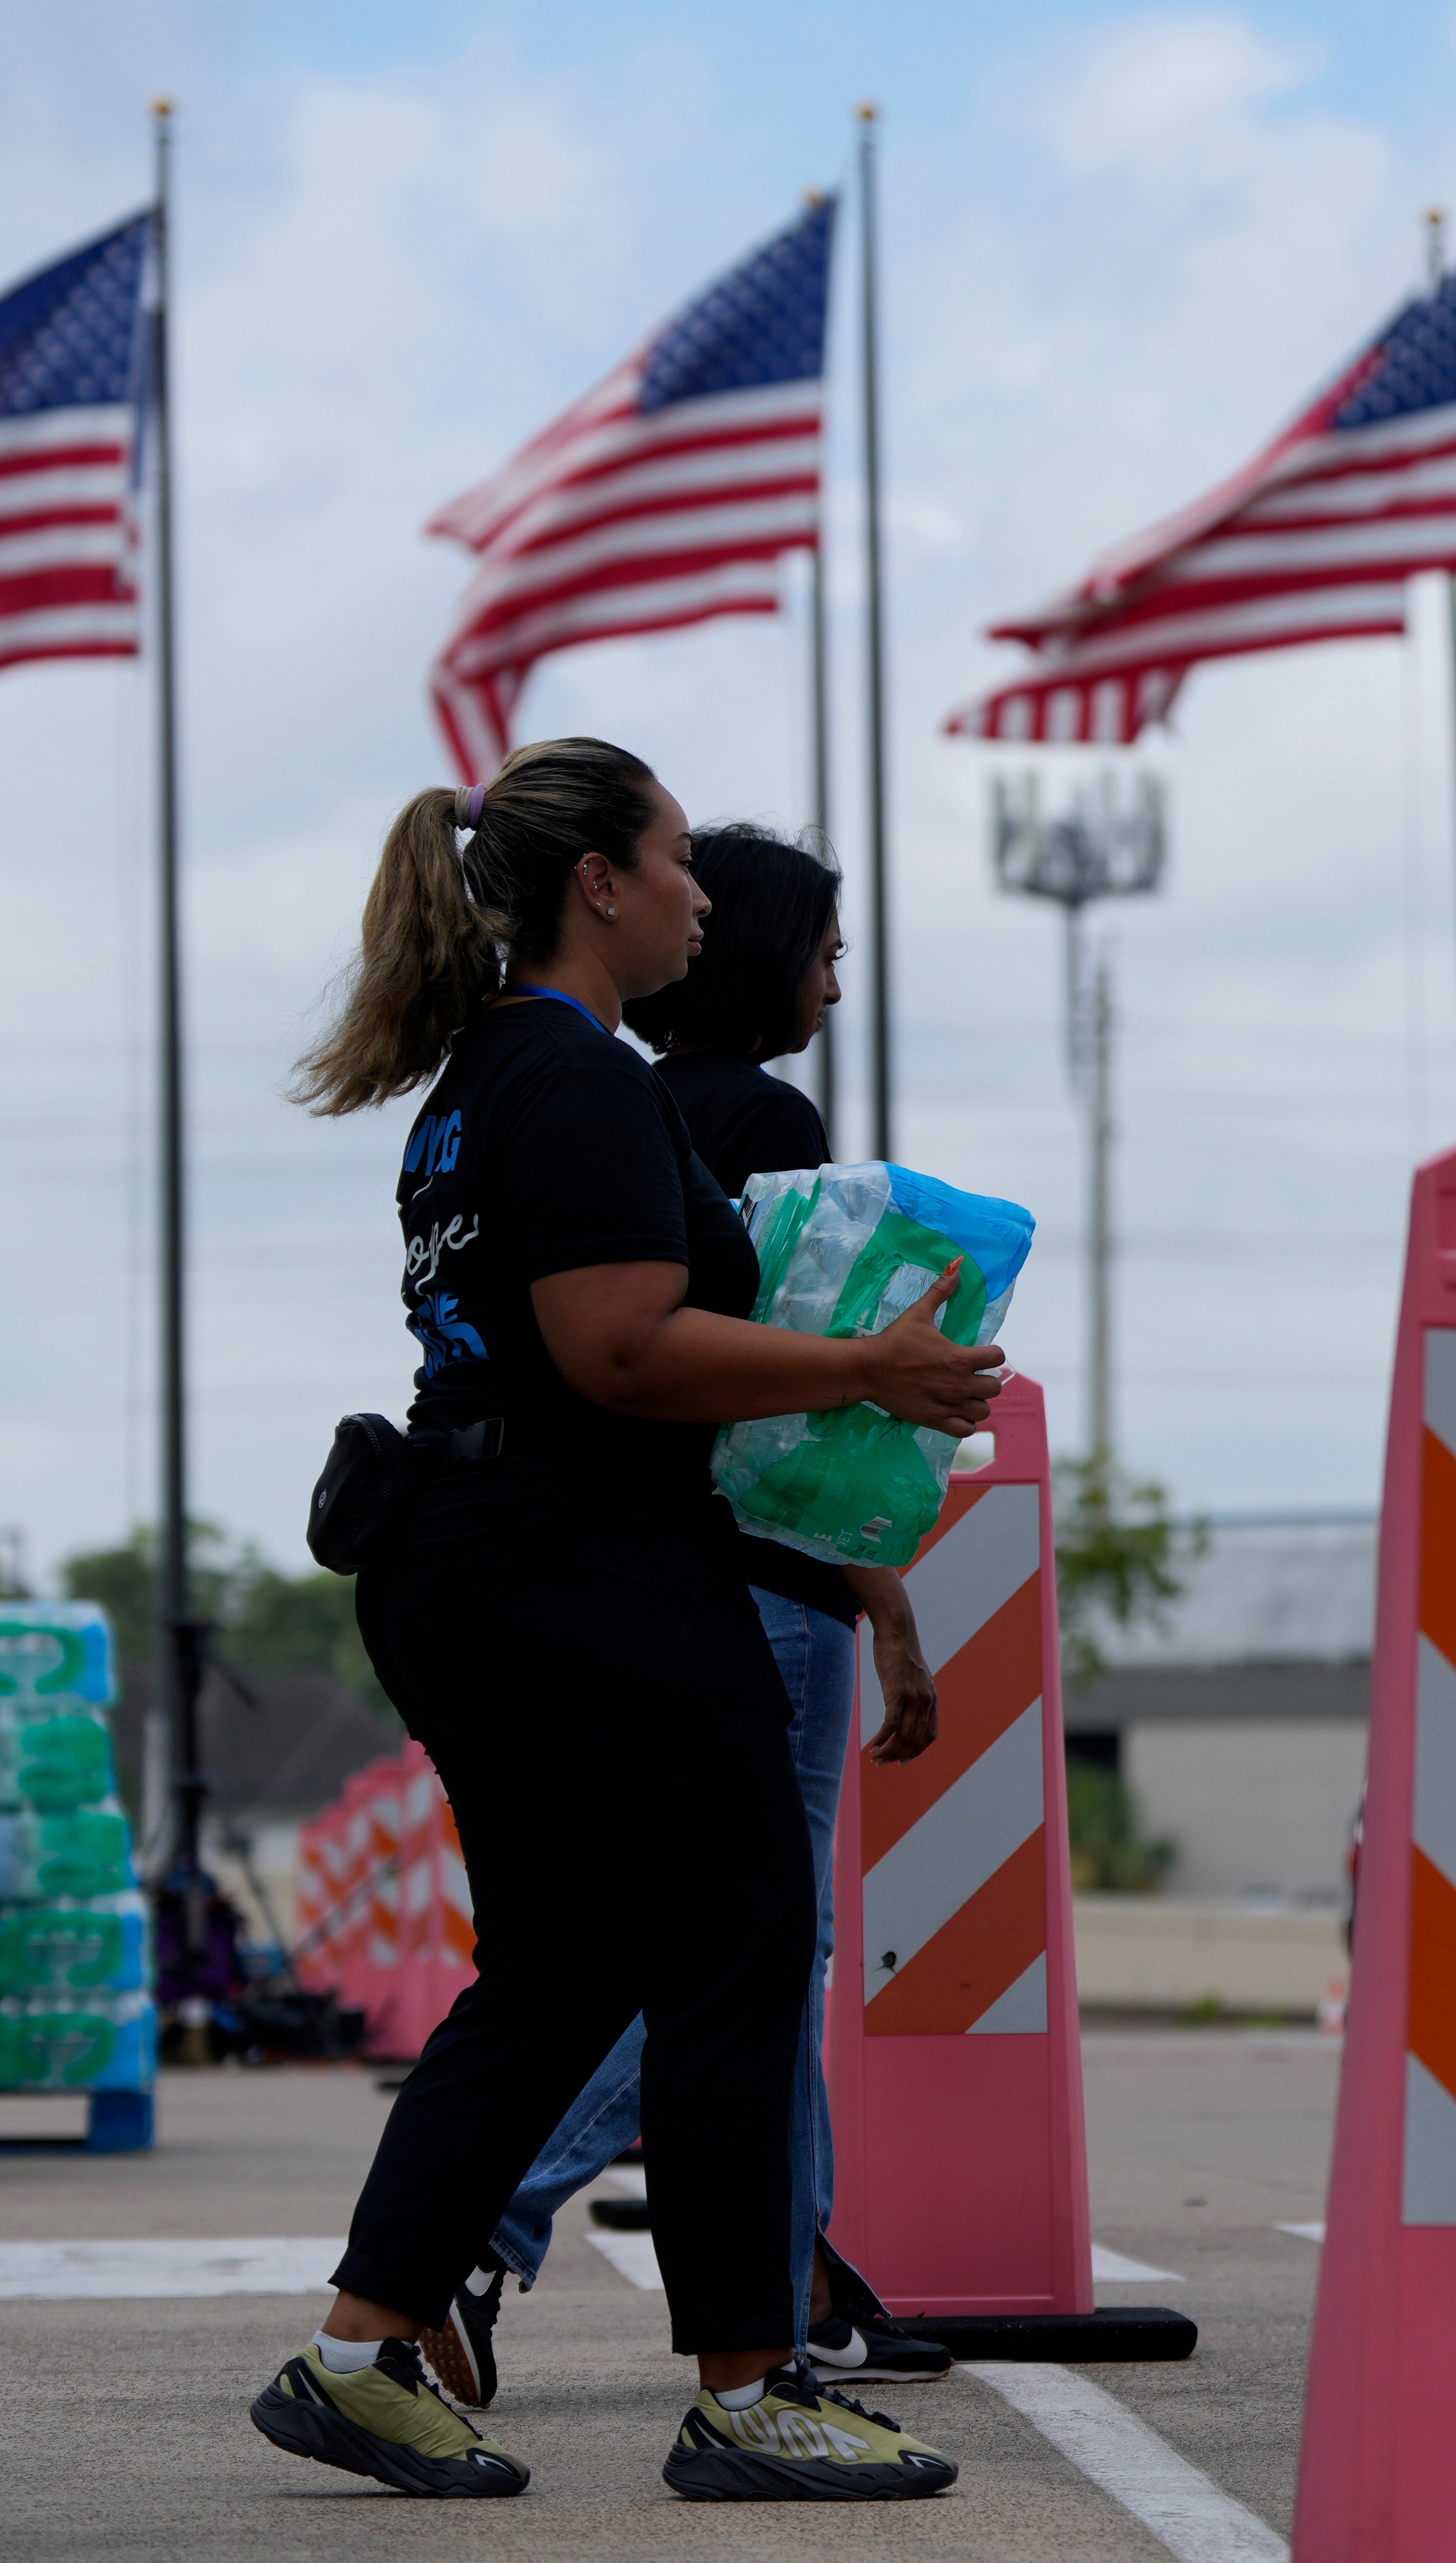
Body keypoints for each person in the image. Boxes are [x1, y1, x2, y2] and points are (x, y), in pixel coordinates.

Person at [261, 738, 994, 2502]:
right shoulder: (575, 1076)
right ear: (595, 880)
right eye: (674, 859)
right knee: (738, 1944)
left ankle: (360, 2350)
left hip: (475, 1563)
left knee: (562, 1971)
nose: (698, 895)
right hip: (577, 1567)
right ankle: (749, 2387)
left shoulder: (479, 1081)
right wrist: (867, 1364)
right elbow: (615, 1349)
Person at [424, 822, 957, 2410]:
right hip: (767, 1579)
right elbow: (780, 1390)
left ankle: (795, 2283)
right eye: (825, 952)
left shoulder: (625, 1098)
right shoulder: (762, 1120)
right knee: (746, 1949)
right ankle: (478, 2223)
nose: (833, 984)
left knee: (731, 1944)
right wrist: (881, 1588)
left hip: (626, 1561)